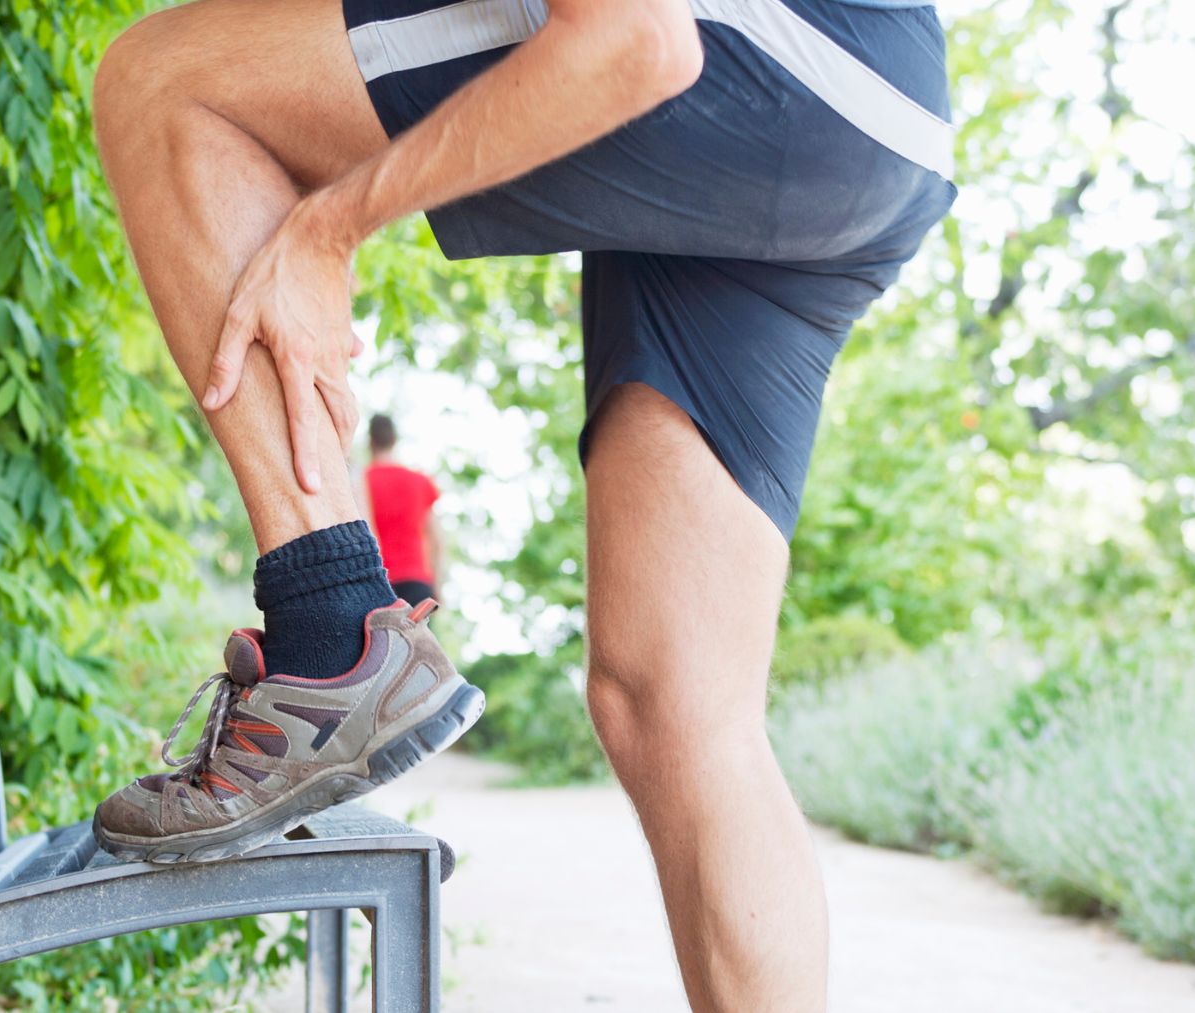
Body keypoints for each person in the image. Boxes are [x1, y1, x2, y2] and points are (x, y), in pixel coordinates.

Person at [88, 0, 953, 1007]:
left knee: (171, 80)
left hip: (765, 57)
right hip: (864, 128)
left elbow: (634, 41)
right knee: (672, 705)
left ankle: (332, 640)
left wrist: (330, 224)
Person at [359, 414, 444, 607]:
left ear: (370, 442)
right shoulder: (420, 481)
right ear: (394, 440)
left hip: (378, 584)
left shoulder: (361, 483)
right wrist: (437, 587)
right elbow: (437, 540)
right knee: (420, 638)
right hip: (418, 584)